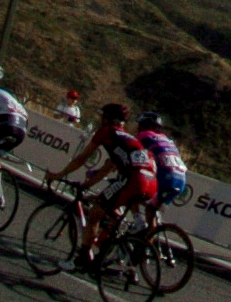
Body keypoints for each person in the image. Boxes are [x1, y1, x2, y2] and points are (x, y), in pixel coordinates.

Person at [51, 102, 156, 269]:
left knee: (95, 213)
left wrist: (58, 175)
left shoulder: (106, 132)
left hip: (133, 180)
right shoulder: (127, 138)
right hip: (151, 182)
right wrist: (86, 184)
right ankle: (122, 252)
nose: (100, 119)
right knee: (111, 212)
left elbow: (82, 158)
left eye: (103, 116)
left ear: (108, 119)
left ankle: (81, 260)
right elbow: (106, 170)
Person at [136, 112, 189, 208]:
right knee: (152, 209)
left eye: (140, 125)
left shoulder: (144, 135)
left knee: (131, 192)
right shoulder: (168, 140)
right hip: (181, 180)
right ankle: (153, 221)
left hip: (164, 178)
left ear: (145, 125)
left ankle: (138, 220)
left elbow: (130, 151)